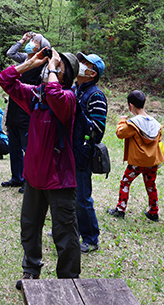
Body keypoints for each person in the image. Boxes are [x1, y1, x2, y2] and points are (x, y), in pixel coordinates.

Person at [0, 47, 81, 286]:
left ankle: (68, 280)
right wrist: (30, 63)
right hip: (34, 176)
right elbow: (5, 80)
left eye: (58, 66)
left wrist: (53, 66)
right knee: (30, 228)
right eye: (51, 64)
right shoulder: (36, 95)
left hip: (59, 178)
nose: (50, 67)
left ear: (66, 75)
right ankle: (31, 270)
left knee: (64, 233)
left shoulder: (68, 97)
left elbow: (55, 95)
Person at [107, 90, 163, 222]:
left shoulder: (133, 123)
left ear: (130, 106)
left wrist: (121, 121)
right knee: (151, 185)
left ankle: (120, 209)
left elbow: (120, 133)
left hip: (137, 162)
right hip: (152, 162)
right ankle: (153, 212)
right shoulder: (156, 123)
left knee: (125, 182)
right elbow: (158, 139)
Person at [3, 32, 49, 193]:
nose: (32, 42)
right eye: (32, 40)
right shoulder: (24, 59)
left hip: (27, 108)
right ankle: (16, 177)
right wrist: (22, 40)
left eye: (36, 41)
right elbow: (10, 53)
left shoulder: (42, 65)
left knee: (27, 148)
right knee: (13, 146)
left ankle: (28, 180)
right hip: (14, 108)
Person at [72, 52, 107, 253]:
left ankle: (91, 238)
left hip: (83, 152)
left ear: (93, 73)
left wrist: (76, 109)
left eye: (85, 63)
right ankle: (71, 231)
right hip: (69, 148)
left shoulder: (96, 96)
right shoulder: (76, 89)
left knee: (82, 198)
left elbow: (97, 131)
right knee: (68, 194)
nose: (81, 65)